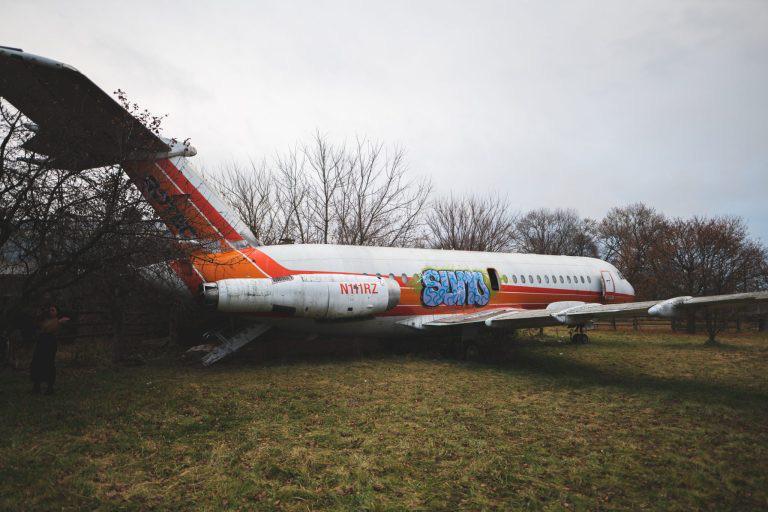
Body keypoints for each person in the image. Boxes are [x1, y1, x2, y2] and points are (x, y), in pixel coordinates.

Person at [30, 305, 69, 395]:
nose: (50, 311)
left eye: (53, 310)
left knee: (49, 363)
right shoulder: (45, 320)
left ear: (57, 312)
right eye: (50, 310)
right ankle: (37, 386)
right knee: (37, 362)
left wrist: (58, 322)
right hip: (41, 342)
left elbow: (49, 329)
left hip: (50, 342)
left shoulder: (59, 321)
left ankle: (49, 387)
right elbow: (38, 326)